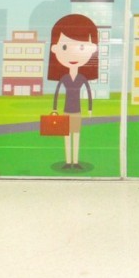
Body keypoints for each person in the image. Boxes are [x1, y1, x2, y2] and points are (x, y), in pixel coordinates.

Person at [48, 13, 99, 171]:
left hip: (77, 111)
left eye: (82, 47)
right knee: (66, 135)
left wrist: (90, 108)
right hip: (66, 111)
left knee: (76, 135)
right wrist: (54, 108)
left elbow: (88, 93)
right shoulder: (64, 78)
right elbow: (57, 93)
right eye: (64, 47)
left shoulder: (82, 78)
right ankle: (67, 161)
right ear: (55, 49)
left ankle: (75, 161)